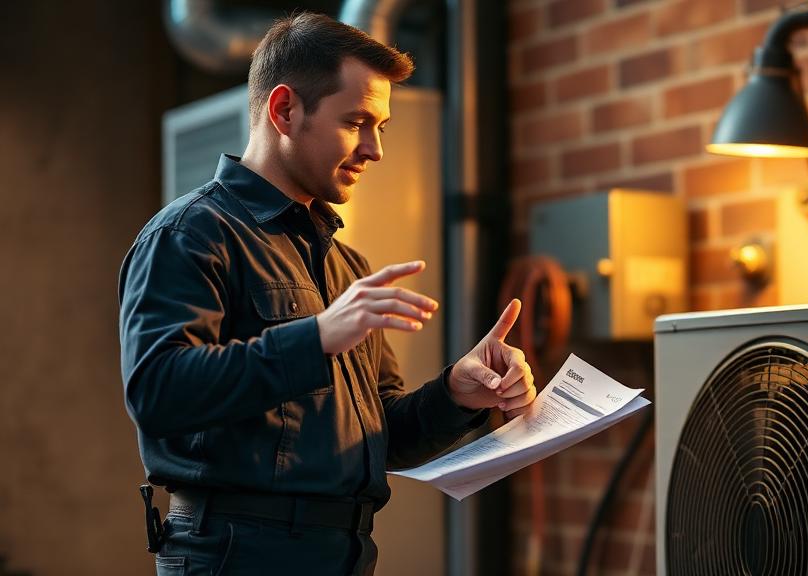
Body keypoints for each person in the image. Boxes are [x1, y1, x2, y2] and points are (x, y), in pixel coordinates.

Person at [118, 12, 535, 576]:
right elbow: (158, 392)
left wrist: (457, 394)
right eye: (357, 122)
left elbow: (385, 436)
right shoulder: (190, 234)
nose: (375, 149)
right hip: (236, 557)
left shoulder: (346, 265)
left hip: (344, 555)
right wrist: (315, 339)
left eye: (381, 127)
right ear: (284, 110)